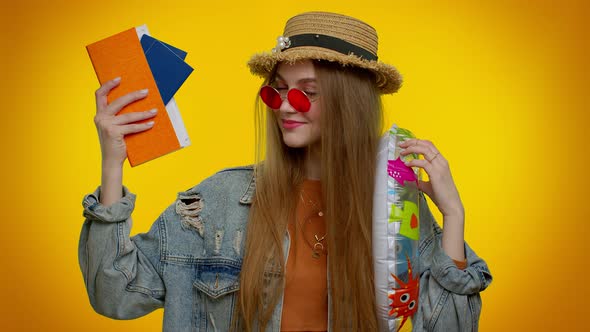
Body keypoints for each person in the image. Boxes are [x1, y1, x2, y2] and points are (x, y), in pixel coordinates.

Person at [79, 11, 492, 332]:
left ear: (351, 104)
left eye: (306, 92)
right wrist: (111, 164)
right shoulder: (218, 201)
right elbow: (114, 294)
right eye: (276, 89)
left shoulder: (399, 211)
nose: (285, 105)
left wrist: (453, 216)